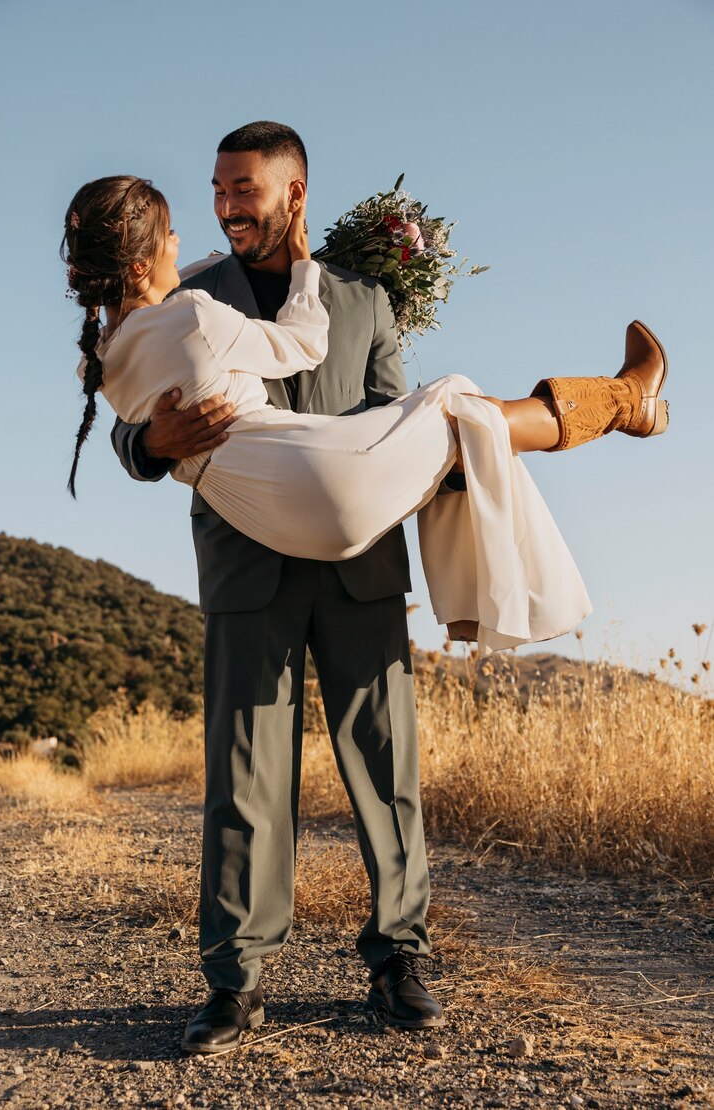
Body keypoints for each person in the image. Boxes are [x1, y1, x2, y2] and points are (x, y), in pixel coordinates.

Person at [64, 135, 668, 1051]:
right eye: (218, 188)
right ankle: (233, 982)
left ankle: (398, 961)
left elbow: (389, 409)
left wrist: (420, 485)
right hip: (244, 566)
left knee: (388, 771)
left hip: (358, 561)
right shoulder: (193, 291)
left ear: (293, 194)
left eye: (245, 189)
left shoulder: (366, 297)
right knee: (242, 779)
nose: (227, 204)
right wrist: (150, 445)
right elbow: (127, 418)